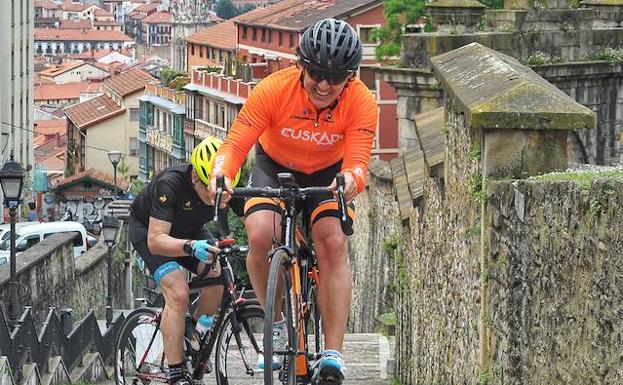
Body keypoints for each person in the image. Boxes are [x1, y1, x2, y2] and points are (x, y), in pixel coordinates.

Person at [206, 18, 377, 384]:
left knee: (332, 241)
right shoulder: (274, 89)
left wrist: (350, 181)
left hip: (328, 172)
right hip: (275, 165)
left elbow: (359, 162)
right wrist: (222, 173)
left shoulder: (362, 100)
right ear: (300, 65)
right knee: (259, 234)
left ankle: (333, 353)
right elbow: (235, 143)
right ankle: (277, 323)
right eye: (316, 72)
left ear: (350, 76)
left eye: (336, 77)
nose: (324, 84)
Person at [128, 137, 242, 385]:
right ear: (194, 178)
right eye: (208, 191)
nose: (216, 198)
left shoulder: (222, 184)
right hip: (151, 231)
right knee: (178, 294)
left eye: (220, 193)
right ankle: (176, 372)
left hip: (190, 229)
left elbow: (251, 217)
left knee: (218, 274)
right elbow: (156, 240)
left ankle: (197, 335)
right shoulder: (170, 184)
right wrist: (189, 247)